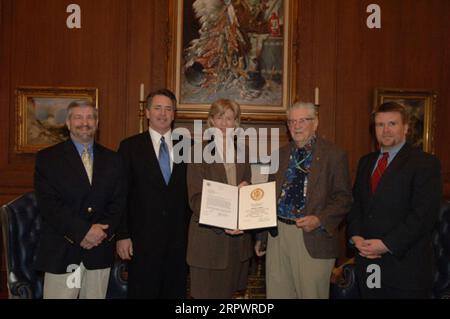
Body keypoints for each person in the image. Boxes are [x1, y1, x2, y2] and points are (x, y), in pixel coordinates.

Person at [255, 101, 352, 299]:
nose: (296, 126)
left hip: (313, 237)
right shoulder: (279, 155)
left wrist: (320, 219)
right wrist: (261, 236)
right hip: (278, 236)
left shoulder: (334, 155)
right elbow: (267, 196)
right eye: (291, 122)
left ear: (315, 122)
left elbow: (344, 198)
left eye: (302, 121)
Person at [347, 101, 442, 298]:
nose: (386, 130)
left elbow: (424, 216)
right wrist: (355, 236)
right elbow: (356, 205)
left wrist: (386, 244)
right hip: (369, 264)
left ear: (406, 127)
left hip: (406, 268)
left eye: (392, 124)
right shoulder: (366, 162)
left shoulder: (425, 163)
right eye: (380, 125)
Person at [34, 100, 126, 299]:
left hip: (99, 252)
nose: (84, 122)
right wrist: (83, 232)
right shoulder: (48, 159)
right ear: (68, 123)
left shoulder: (114, 160)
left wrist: (101, 233)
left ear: (97, 122)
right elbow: (49, 205)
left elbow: (119, 202)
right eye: (78, 117)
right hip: (62, 251)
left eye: (90, 117)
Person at [116, 89, 189, 298]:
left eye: (168, 109)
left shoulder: (188, 147)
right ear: (147, 112)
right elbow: (120, 195)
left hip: (179, 243)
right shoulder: (129, 147)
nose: (163, 113)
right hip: (141, 242)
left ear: (174, 114)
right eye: (157, 108)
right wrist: (122, 235)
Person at [186, 99, 253, 299]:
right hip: (208, 242)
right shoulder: (198, 151)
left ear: (236, 123)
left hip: (237, 244)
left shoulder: (243, 151)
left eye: (229, 118)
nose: (224, 123)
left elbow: (247, 188)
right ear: (211, 121)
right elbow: (195, 199)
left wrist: (247, 190)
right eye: (219, 117)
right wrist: (223, 221)